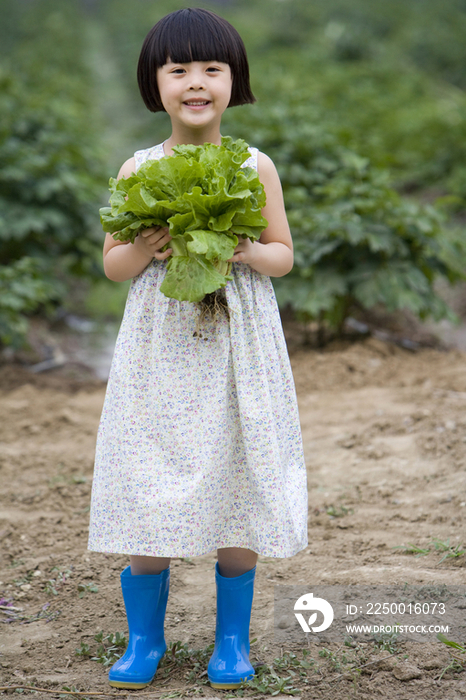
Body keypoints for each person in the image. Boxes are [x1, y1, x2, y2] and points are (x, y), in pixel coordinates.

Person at [88, 6, 308, 691]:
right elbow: (113, 267)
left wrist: (241, 249)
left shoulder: (254, 163)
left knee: (239, 470)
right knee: (148, 470)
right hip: (160, 345)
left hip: (236, 341)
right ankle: (144, 641)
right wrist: (147, 245)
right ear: (153, 84)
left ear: (234, 82)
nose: (195, 82)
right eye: (177, 68)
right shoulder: (139, 165)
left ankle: (232, 643)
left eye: (212, 69)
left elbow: (282, 257)